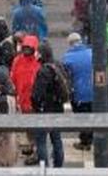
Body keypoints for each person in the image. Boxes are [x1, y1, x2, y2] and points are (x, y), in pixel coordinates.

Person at [31, 40, 68, 168]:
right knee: (56, 139)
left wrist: (36, 107)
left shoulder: (43, 71)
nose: (35, 54)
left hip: (45, 110)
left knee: (41, 141)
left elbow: (37, 94)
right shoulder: (57, 65)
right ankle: (58, 166)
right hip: (57, 107)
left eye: (37, 52)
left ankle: (44, 167)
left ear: (41, 54)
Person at [61, 32, 95, 150]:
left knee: (81, 118)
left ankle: (85, 141)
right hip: (93, 90)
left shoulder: (67, 58)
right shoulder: (91, 53)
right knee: (91, 115)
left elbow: (65, 77)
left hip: (78, 93)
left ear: (70, 44)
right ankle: (90, 138)